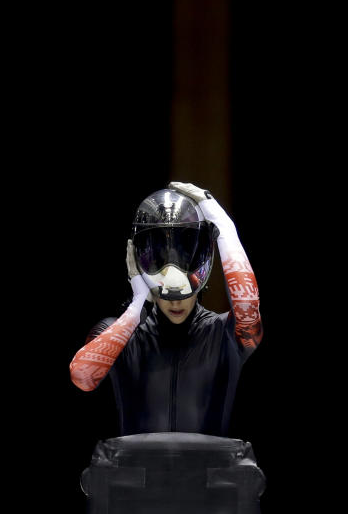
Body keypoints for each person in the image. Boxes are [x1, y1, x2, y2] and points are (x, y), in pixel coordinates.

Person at [70, 181, 263, 436]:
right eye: (164, 293)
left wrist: (224, 227)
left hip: (208, 474)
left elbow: (248, 309)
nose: (175, 301)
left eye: (184, 293)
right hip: (139, 475)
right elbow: (82, 377)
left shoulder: (224, 334)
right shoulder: (119, 335)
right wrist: (138, 305)